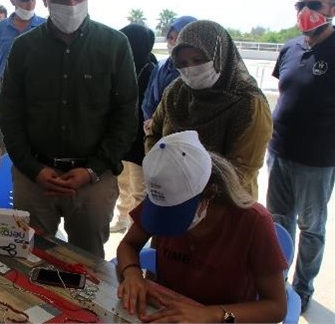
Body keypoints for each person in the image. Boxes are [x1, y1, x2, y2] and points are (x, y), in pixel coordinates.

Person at [0, 0, 138, 258]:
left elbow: (125, 117)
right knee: (30, 259)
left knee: (88, 265)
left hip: (93, 179)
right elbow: (9, 114)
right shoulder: (23, 48)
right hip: (34, 177)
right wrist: (33, 169)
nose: (72, 5)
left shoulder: (115, 45)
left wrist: (91, 170)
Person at [116, 130, 288, 323]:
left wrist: (213, 315)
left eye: (177, 213)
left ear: (211, 192)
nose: (168, 223)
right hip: (165, 312)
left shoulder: (253, 222)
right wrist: (132, 273)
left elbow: (276, 308)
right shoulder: (161, 198)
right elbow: (128, 245)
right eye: (163, 213)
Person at [266, 0, 335, 313]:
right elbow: (286, 92)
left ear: (333, 10)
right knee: (279, 223)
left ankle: (302, 287)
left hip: (317, 161)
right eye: (300, 4)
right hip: (278, 152)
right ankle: (275, 283)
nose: (305, 11)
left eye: (314, 5)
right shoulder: (289, 48)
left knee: (312, 229)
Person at [144, 20, 272, 198]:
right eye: (183, 62)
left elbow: (242, 169)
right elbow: (154, 134)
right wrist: (159, 172)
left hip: (226, 201)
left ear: (221, 55)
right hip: (171, 196)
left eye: (199, 60)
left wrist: (192, 189)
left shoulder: (248, 103)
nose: (191, 69)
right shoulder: (175, 92)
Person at [0, 0, 45, 152]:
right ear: (12, 1)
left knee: (36, 141)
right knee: (7, 143)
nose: (29, 3)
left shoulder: (45, 26)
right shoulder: (0, 29)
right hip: (6, 93)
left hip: (37, 94)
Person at [110, 24, 157, 234]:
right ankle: (122, 218)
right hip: (122, 137)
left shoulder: (151, 71)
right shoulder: (121, 66)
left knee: (139, 187)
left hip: (140, 140)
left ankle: (135, 228)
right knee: (122, 183)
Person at [141, 16, 197, 126]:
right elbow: (148, 98)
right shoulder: (161, 66)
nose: (174, 43)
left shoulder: (199, 70)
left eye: (180, 38)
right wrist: (152, 122)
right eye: (171, 38)